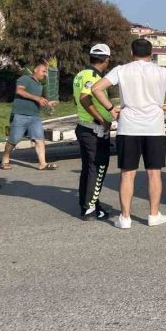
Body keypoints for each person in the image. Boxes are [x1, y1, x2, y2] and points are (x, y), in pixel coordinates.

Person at [91, 39, 166, 229]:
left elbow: (96, 88)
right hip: (154, 128)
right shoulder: (161, 71)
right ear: (151, 54)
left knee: (127, 174)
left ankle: (125, 217)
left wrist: (111, 108)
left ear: (132, 53)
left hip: (128, 127)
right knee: (154, 173)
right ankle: (153, 215)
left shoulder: (121, 70)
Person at [73, 44, 113, 221]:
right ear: (106, 60)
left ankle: (88, 204)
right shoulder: (92, 76)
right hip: (93, 129)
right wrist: (101, 119)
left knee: (88, 169)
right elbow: (84, 98)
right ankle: (90, 209)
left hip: (84, 127)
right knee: (98, 168)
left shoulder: (81, 74)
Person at [0, 59, 58, 171]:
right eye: (43, 71)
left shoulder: (39, 85)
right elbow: (19, 91)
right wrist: (37, 98)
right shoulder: (25, 79)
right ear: (36, 70)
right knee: (14, 139)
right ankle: (5, 158)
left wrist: (48, 103)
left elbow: (37, 101)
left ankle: (42, 163)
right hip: (20, 114)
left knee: (39, 139)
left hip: (35, 116)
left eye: (46, 72)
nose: (45, 74)